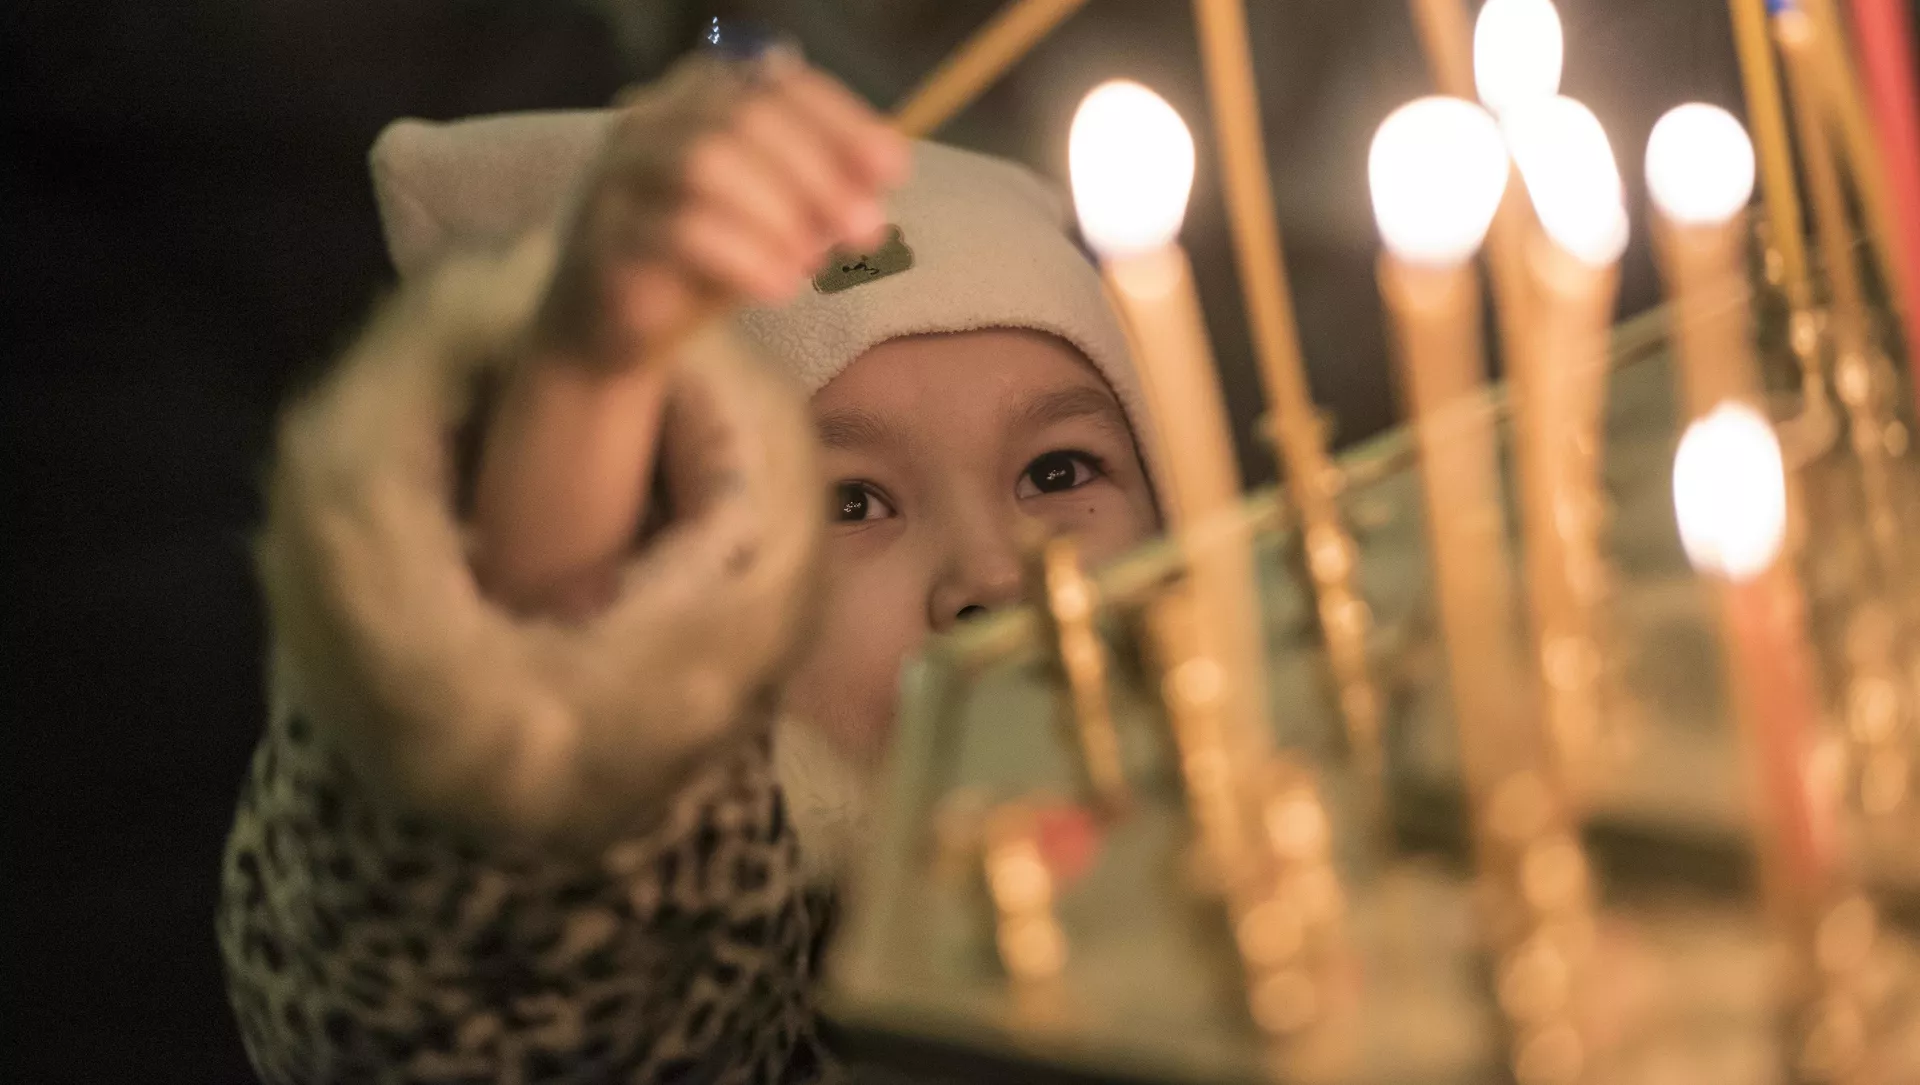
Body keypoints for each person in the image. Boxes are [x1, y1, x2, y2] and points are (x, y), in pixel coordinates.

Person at [218, 46, 1159, 1083]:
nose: (993, 578)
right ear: (676, 590)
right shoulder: (744, 967)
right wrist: (587, 376)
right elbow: (514, 949)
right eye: (850, 501)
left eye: (1059, 470)